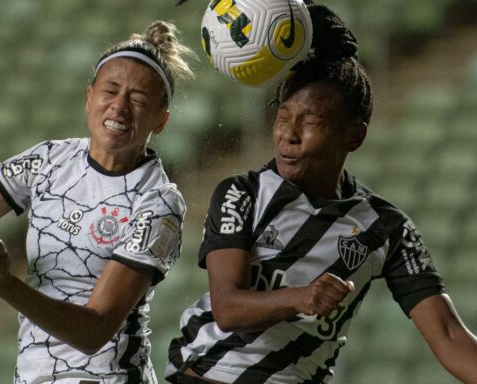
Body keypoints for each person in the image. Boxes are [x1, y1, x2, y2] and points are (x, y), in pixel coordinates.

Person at [165, 4, 477, 384]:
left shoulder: (386, 227)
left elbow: (448, 336)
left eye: (309, 122)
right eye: (282, 118)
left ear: (354, 136)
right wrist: (300, 297)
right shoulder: (241, 194)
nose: (288, 135)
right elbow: (228, 308)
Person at [0, 20, 194, 383]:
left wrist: (5, 284)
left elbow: (94, 331)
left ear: (161, 120)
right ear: (90, 98)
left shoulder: (159, 203)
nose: (119, 107)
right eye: (111, 91)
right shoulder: (48, 160)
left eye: (137, 99)